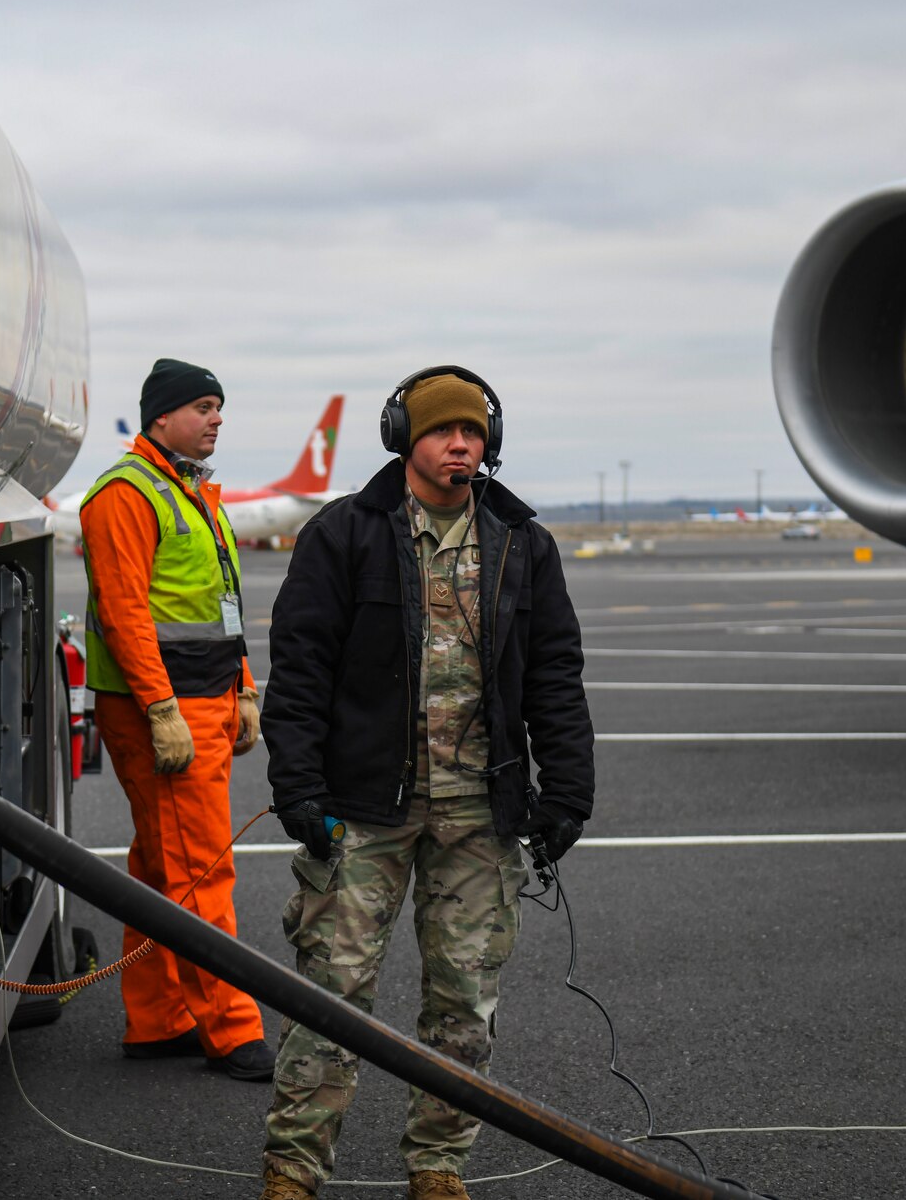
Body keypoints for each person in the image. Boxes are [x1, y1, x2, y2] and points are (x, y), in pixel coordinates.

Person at [256, 367, 595, 1199]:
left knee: (464, 1005)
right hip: (362, 808)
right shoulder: (346, 534)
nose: (460, 445)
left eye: (473, 433)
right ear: (406, 438)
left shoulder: (522, 543)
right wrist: (298, 784)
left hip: (482, 812)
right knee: (330, 998)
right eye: (444, 431)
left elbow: (555, 674)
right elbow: (299, 668)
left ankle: (439, 1165)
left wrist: (568, 791)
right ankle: (294, 1170)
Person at [79, 358, 273, 1080]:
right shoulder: (127, 494)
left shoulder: (191, 493)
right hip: (165, 707)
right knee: (200, 870)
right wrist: (162, 710)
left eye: (220, 406)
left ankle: (160, 1016)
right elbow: (125, 612)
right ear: (160, 417)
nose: (216, 417)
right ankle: (231, 1027)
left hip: (205, 698)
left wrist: (244, 686)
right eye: (202, 406)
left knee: (164, 867)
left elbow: (220, 605)